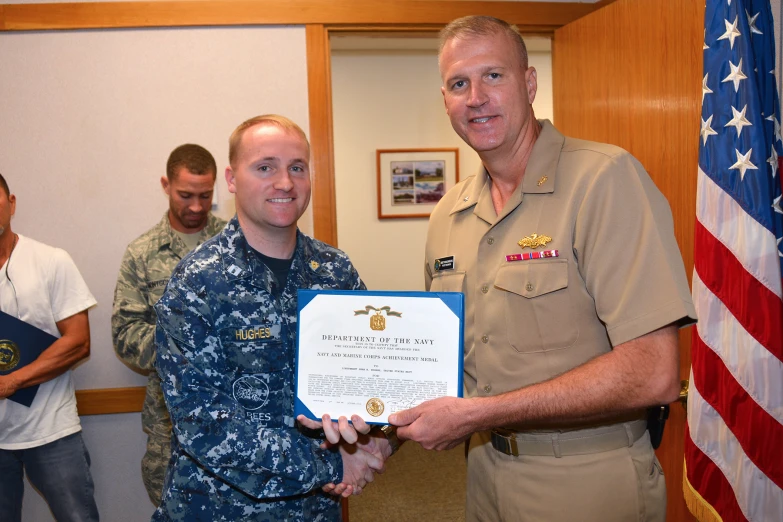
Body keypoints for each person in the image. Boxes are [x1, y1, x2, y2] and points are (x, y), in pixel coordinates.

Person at [386, 16, 698, 522]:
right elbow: (443, 363)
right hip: (483, 475)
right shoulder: (448, 213)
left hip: (587, 479)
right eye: (458, 84)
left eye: (494, 76)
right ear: (444, 100)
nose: (476, 97)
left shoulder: (603, 179)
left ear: (530, 84)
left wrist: (479, 415)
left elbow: (652, 371)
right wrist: (381, 438)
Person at [152, 115, 386, 521]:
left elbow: (375, 375)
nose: (285, 182)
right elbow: (205, 425)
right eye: (265, 167)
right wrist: (332, 466)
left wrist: (380, 441)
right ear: (231, 178)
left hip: (316, 508)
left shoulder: (334, 271)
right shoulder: (197, 282)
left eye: (297, 167)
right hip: (219, 509)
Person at [112, 143, 226, 505]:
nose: (195, 206)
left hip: (234, 413)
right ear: (166, 185)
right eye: (185, 195)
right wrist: (188, 342)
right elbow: (125, 335)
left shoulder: (236, 243)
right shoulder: (142, 253)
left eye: (205, 195)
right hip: (171, 421)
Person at [0, 173, 100, 522]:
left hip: (51, 431)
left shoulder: (51, 261)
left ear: (11, 204)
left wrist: (12, 381)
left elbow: (78, 343)